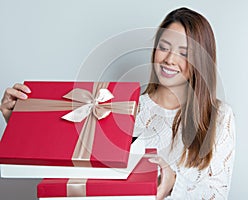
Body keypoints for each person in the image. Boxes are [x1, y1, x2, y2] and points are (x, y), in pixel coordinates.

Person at [0, 7, 235, 200]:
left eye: (184, 52)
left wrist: (174, 182)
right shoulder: (122, 107)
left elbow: (217, 193)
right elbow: (74, 165)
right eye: (164, 48)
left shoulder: (219, 116)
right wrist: (18, 121)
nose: (170, 59)